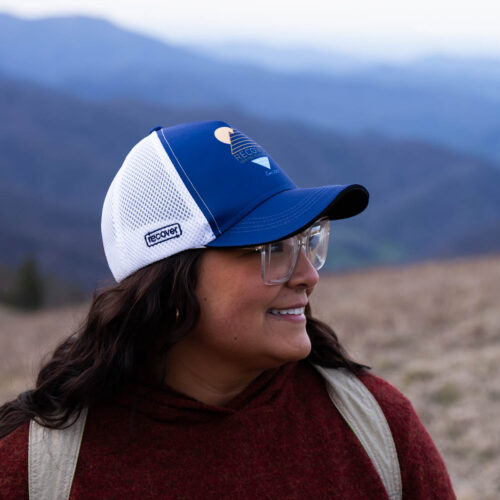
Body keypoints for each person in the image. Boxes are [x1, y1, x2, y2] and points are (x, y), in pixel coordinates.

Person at [0, 121, 455, 499]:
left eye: (307, 242)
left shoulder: (376, 425)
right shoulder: (35, 469)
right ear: (171, 286)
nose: (308, 275)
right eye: (271, 248)